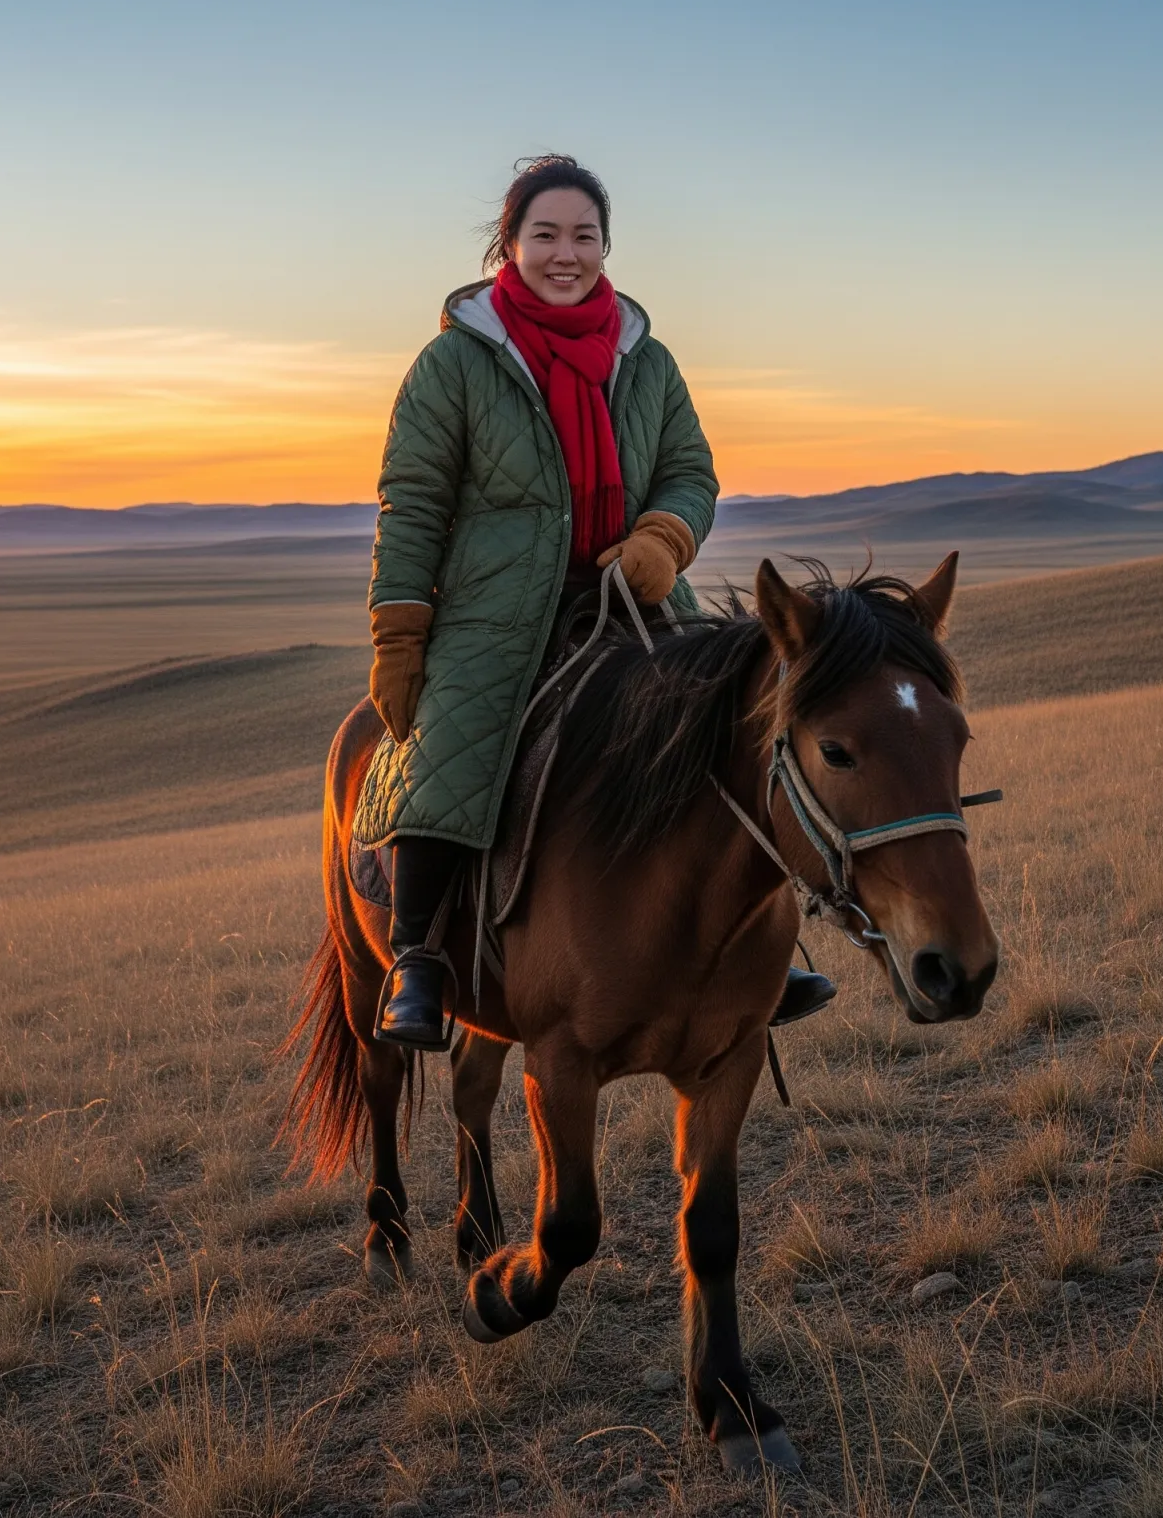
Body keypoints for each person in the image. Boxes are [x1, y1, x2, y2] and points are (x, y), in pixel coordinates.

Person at [355, 154, 836, 1049]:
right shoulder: (454, 363)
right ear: (509, 245)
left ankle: (769, 946)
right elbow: (412, 499)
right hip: (496, 611)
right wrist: (400, 632)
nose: (564, 253)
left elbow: (691, 471)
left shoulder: (646, 361)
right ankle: (417, 958)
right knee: (454, 740)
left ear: (606, 245)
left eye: (583, 235)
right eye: (545, 235)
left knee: (737, 733)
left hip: (638, 600)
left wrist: (664, 540)